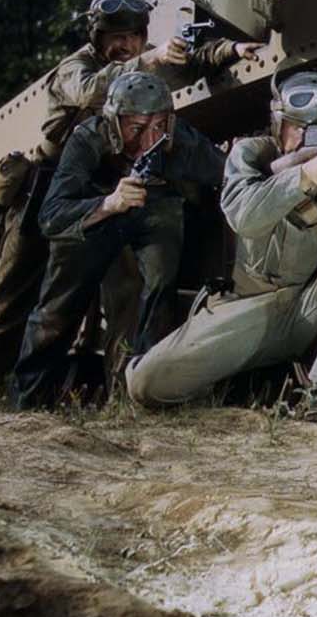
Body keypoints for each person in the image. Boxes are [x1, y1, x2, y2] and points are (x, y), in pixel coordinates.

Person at [0, 0, 252, 406]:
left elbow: (192, 62)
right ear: (97, 38)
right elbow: (89, 92)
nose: (123, 45)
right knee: (7, 306)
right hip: (47, 191)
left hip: (106, 196)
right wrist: (149, 60)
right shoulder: (76, 68)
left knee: (124, 300)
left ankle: (124, 400)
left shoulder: (142, 65)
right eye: (113, 38)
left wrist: (233, 49)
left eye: (132, 36)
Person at [126, 69, 317, 415]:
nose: (310, 138)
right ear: (278, 125)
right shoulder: (250, 154)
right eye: (299, 127)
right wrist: (305, 176)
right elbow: (244, 216)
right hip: (243, 308)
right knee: (146, 385)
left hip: (304, 306)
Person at [11, 71, 226, 408]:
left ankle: (140, 400)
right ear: (114, 122)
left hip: (153, 209)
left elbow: (225, 171)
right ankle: (29, 403)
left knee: (156, 291)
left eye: (157, 127)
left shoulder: (179, 138)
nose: (146, 140)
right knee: (58, 308)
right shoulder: (86, 140)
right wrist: (108, 203)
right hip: (93, 215)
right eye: (136, 129)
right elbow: (51, 215)